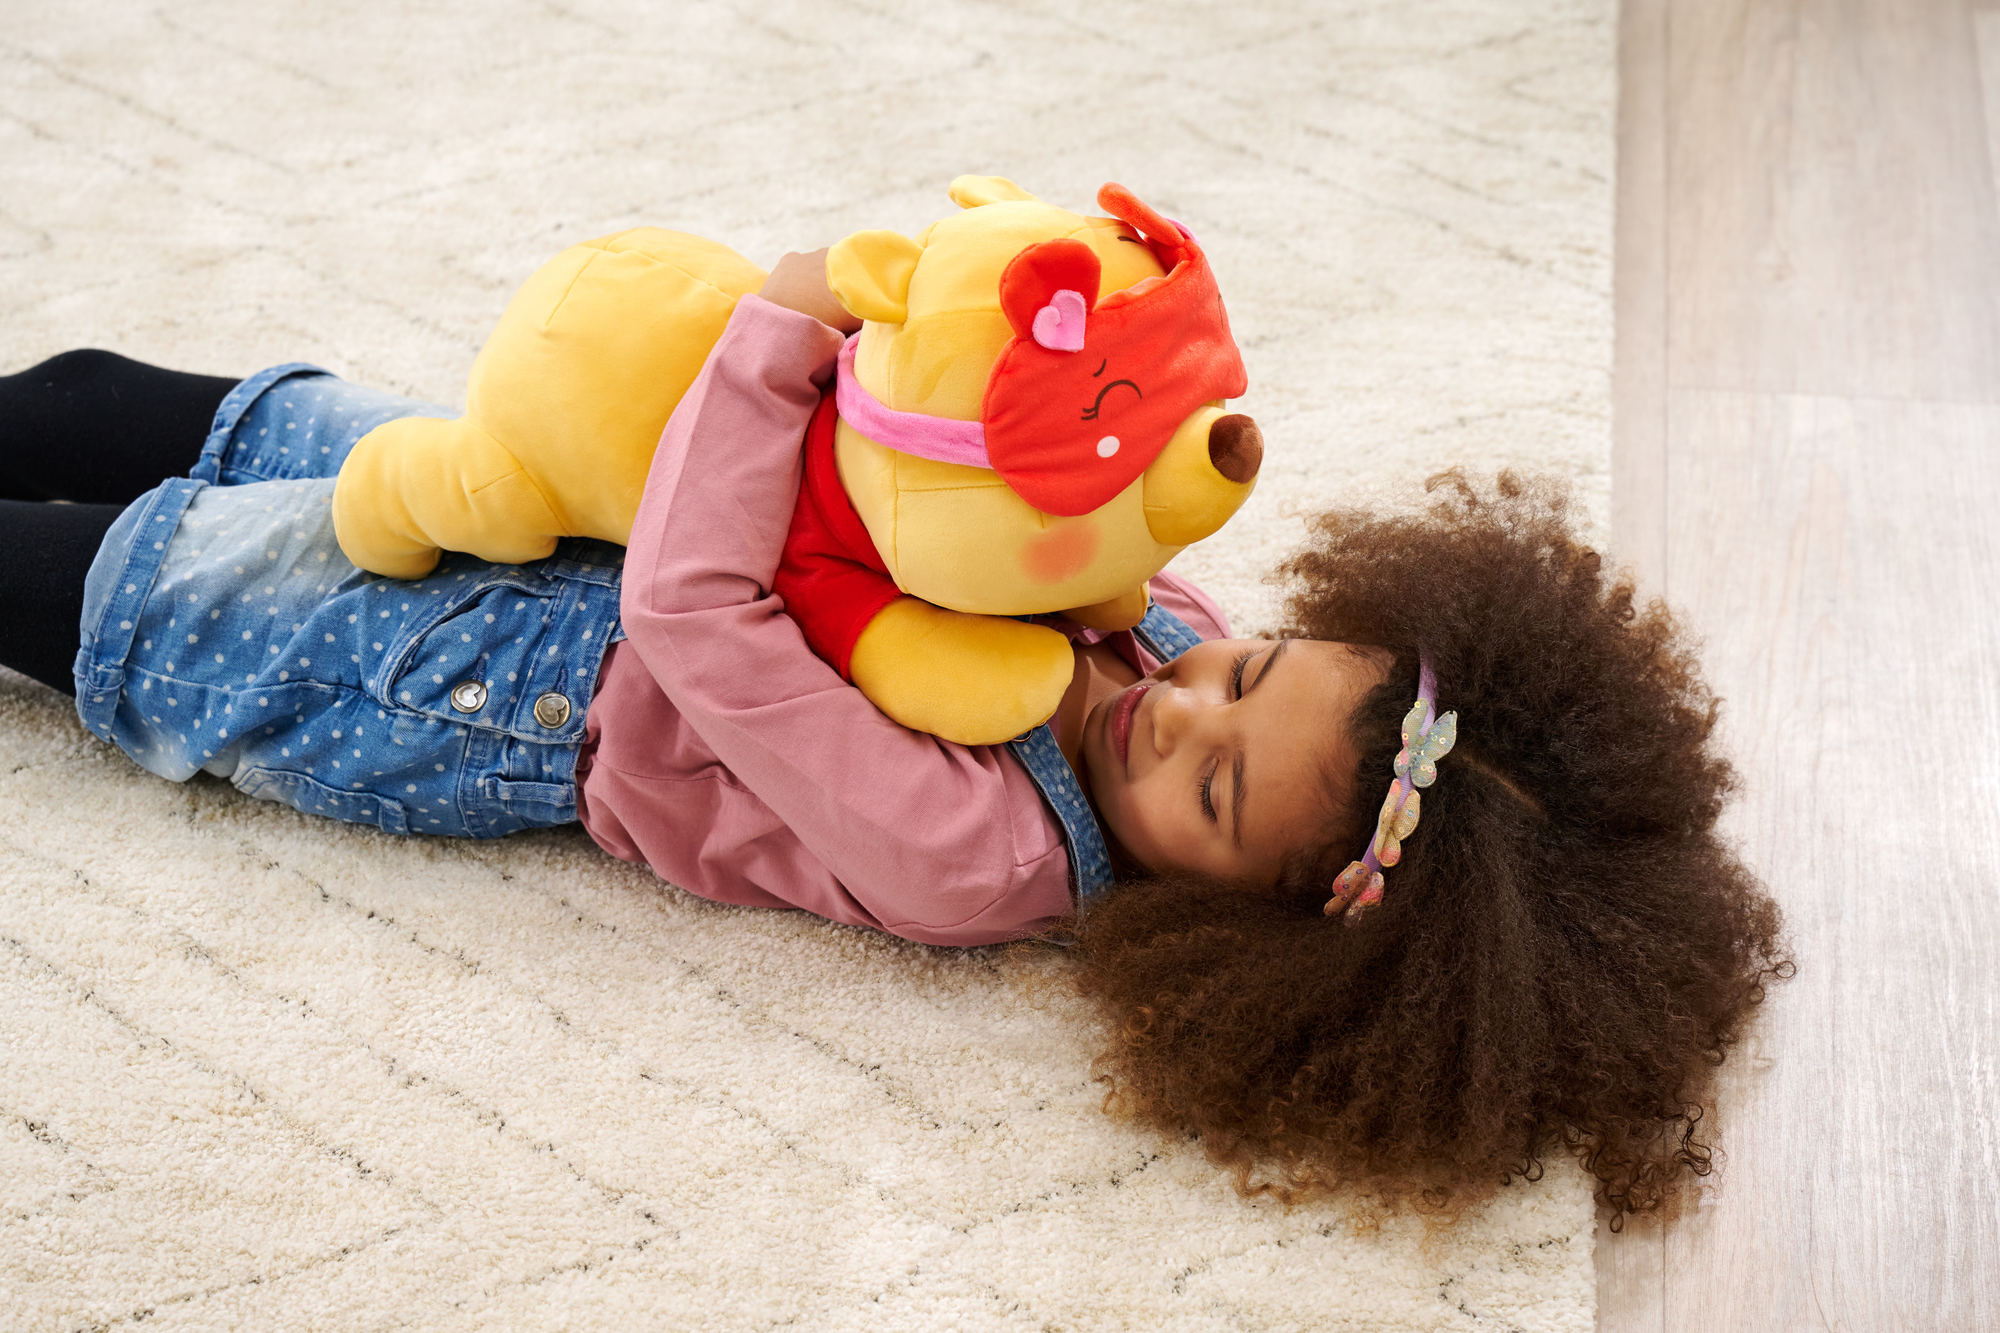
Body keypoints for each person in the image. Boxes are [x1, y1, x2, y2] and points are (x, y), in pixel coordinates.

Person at [0, 253, 1793, 1229]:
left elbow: (691, 623)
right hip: (568, 493)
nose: (1178, 703)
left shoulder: (980, 852)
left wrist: (778, 341)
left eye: (1212, 785)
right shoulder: (1173, 637)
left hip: (493, 677)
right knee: (112, 402)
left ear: (1249, 917)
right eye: (1251, 674)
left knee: (96, 578)